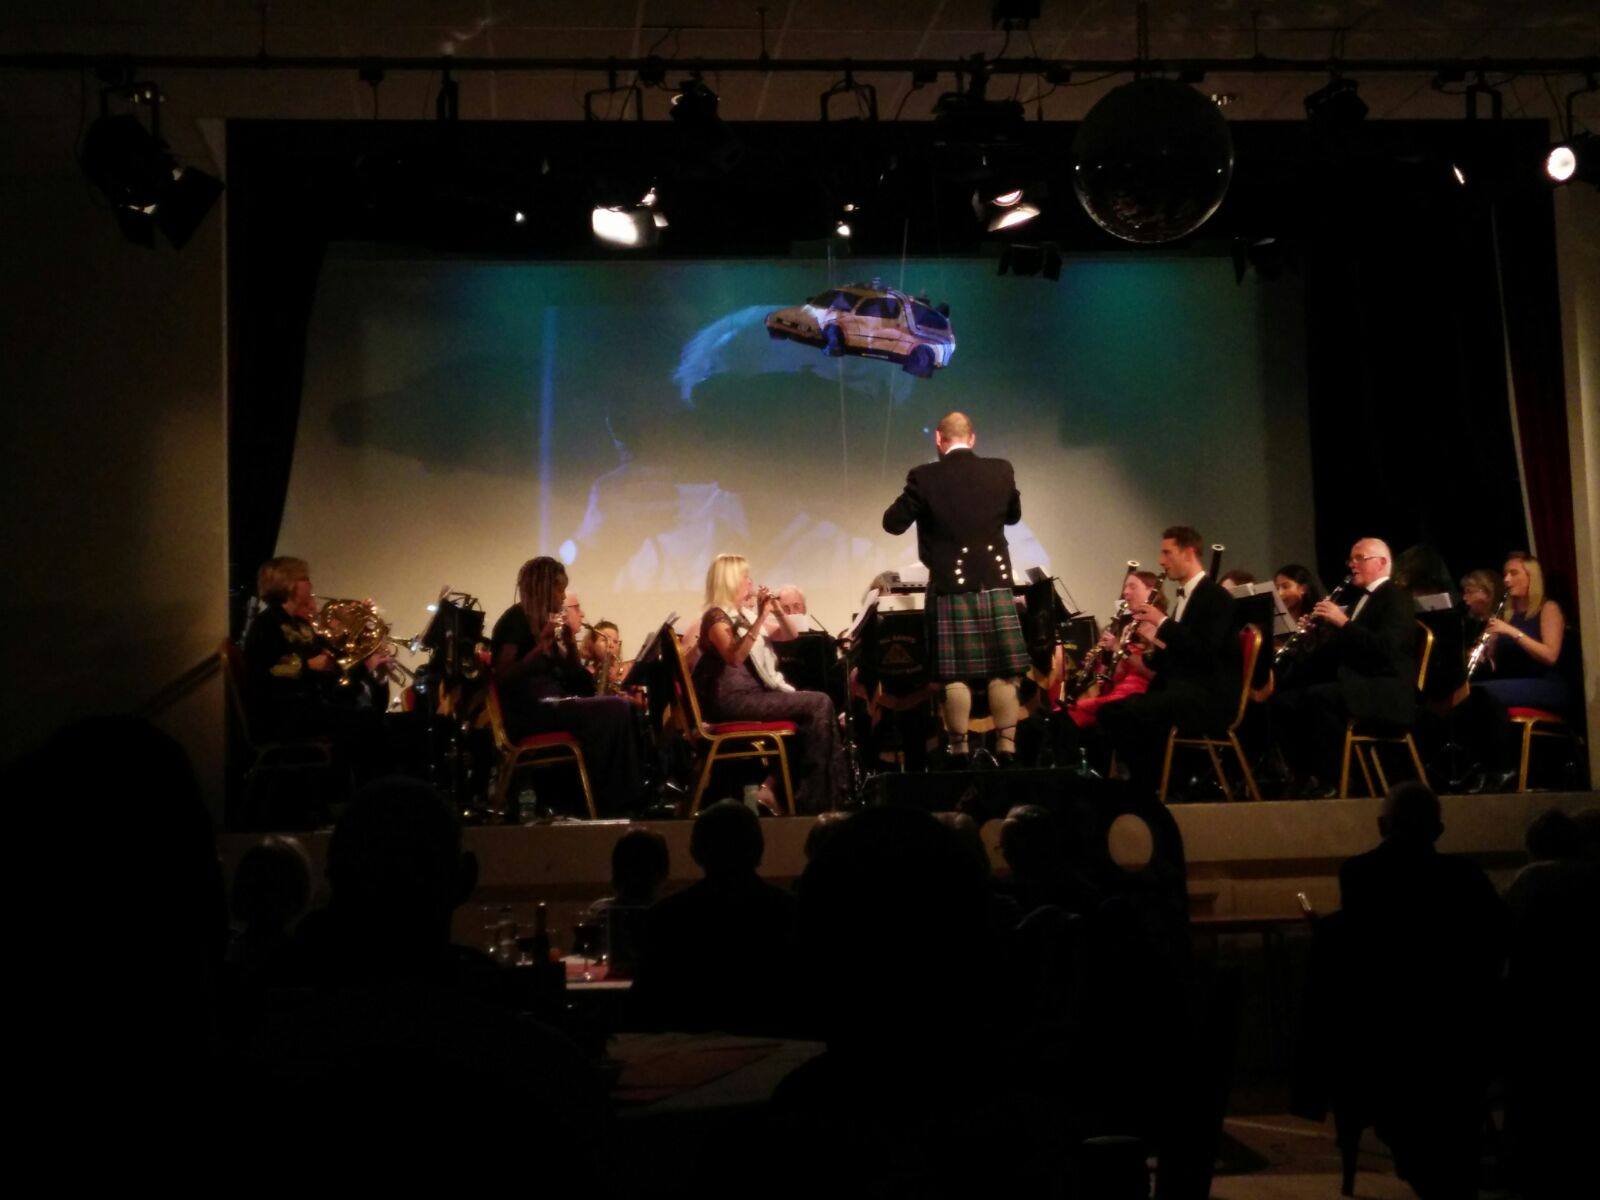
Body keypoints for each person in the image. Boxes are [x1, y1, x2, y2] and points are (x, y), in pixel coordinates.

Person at [1331, 782, 1507, 1199]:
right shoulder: (1466, 875)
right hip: (1459, 1029)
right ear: (1437, 830)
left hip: (1389, 1030)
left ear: (1382, 826)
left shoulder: (1358, 873)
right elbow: (1497, 937)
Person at [882, 411, 1029, 767]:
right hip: (995, 583)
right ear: (972, 438)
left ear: (938, 438)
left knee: (954, 674)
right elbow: (1013, 516)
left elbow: (892, 523)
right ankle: (1007, 750)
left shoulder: (924, 477)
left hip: (950, 586)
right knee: (1004, 670)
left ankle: (959, 752)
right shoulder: (1001, 469)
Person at [630, 801, 800, 1035]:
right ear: (758, 848)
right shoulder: (791, 911)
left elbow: (644, 1007)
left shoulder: (666, 916)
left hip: (687, 1048)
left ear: (696, 852)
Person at [693, 553, 846, 813]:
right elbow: (734, 657)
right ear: (730, 580)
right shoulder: (716, 617)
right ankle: (815, 800)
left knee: (816, 708)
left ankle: (795, 792)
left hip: (751, 695)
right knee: (819, 703)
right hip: (732, 700)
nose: (750, 582)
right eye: (745, 577)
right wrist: (761, 617)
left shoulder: (742, 615)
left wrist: (775, 610)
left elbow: (791, 633)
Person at [491, 557, 643, 815]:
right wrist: (540, 647)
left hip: (553, 704)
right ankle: (610, 802)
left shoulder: (545, 622)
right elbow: (504, 675)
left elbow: (578, 681)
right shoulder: (516, 619)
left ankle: (622, 797)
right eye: (559, 589)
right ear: (544, 587)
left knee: (625, 708)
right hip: (529, 711)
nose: (562, 596)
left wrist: (570, 645)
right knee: (613, 709)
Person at [1270, 538, 1417, 797]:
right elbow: (1344, 650)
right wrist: (1314, 634)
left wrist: (1343, 623)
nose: (1352, 564)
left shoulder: (1396, 597)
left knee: (1318, 699)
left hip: (1386, 689)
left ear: (1382, 562)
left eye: (1360, 558)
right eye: (1351, 559)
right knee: (1283, 701)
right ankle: (1304, 776)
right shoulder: (1360, 599)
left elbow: (1387, 650)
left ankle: (1337, 778)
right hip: (1358, 682)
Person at [1097, 526, 1239, 791]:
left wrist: (1161, 622)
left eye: (1167, 553)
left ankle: (1152, 785)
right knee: (1110, 712)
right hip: (1183, 691)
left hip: (1209, 698)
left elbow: (1204, 653)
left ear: (1189, 553)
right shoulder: (1185, 597)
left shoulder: (1217, 597)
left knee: (1130, 714)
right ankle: (1150, 783)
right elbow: (1178, 653)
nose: (1161, 561)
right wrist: (1146, 649)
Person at [241, 555, 394, 782]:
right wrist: (309, 665)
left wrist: (355, 637)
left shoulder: (299, 624)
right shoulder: (266, 624)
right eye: (304, 578)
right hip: (283, 715)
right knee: (367, 724)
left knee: (371, 719)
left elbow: (332, 664)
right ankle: (364, 791)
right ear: (288, 584)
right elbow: (266, 669)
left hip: (306, 706)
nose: (310, 584)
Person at [1272, 563, 1325, 645]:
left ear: (1303, 589)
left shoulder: (1319, 619)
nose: (1279, 593)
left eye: (1285, 587)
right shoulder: (1276, 625)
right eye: (1277, 588)